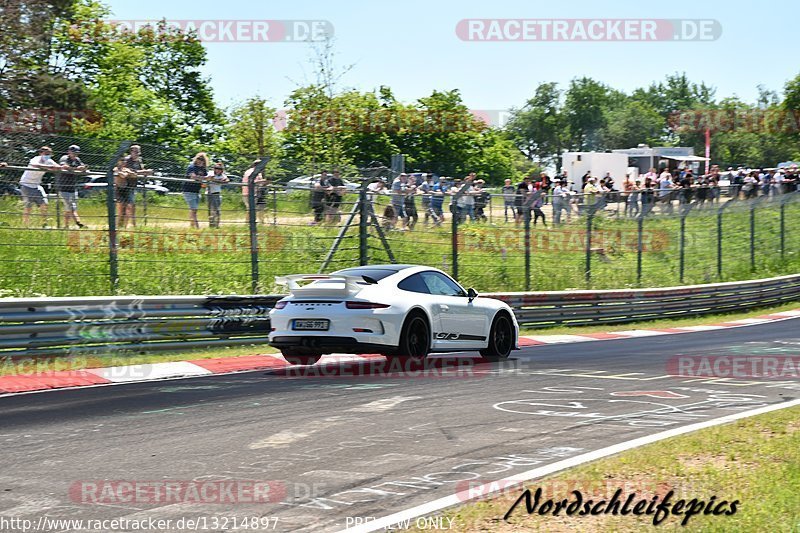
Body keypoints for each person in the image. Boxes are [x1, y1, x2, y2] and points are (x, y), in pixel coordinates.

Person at [19, 146, 60, 227]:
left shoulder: (49, 161)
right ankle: (25, 225)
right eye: (46, 154)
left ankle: (44, 224)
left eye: (49, 154)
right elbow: (34, 165)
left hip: (37, 185)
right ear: (41, 153)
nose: (48, 155)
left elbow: (58, 167)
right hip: (26, 184)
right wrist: (49, 167)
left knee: (44, 204)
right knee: (28, 206)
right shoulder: (36, 158)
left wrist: (60, 167)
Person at [118, 144, 152, 228]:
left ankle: (133, 224)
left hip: (132, 185)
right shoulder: (127, 160)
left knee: (131, 205)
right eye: (136, 152)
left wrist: (146, 171)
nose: (137, 154)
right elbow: (129, 171)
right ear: (131, 151)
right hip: (124, 186)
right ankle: (121, 225)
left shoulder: (138, 161)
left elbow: (140, 170)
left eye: (138, 152)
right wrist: (143, 172)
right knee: (124, 206)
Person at [57, 144, 88, 228]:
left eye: (77, 153)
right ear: (69, 152)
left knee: (69, 208)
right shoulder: (65, 158)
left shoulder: (77, 159)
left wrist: (82, 168)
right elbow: (64, 166)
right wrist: (76, 169)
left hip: (72, 187)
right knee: (71, 207)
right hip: (63, 187)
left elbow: (83, 167)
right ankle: (79, 223)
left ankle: (66, 226)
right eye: (73, 153)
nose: (75, 155)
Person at [184, 152, 208, 228]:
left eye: (202, 159)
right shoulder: (191, 167)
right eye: (198, 158)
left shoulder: (203, 169)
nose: (200, 160)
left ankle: (191, 226)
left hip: (197, 191)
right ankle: (197, 227)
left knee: (194, 209)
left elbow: (206, 177)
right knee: (193, 209)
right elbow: (193, 177)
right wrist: (203, 178)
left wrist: (204, 179)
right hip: (188, 190)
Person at [114, 157, 139, 229]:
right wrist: (127, 173)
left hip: (126, 189)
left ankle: (125, 225)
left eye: (124, 160)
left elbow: (134, 175)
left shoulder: (126, 169)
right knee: (120, 208)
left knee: (128, 207)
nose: (123, 162)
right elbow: (122, 175)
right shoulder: (115, 169)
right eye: (122, 160)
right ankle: (117, 225)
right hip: (119, 189)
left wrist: (128, 173)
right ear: (118, 161)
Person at [206, 162, 230, 228]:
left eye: (219, 168)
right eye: (216, 168)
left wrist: (216, 180)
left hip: (217, 193)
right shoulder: (210, 173)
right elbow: (209, 178)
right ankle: (211, 225)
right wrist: (219, 181)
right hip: (209, 193)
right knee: (210, 210)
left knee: (217, 210)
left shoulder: (223, 175)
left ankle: (217, 225)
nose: (217, 170)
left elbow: (227, 180)